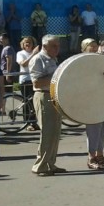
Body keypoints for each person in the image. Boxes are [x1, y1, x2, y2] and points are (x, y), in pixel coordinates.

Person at [29, 35, 65, 176]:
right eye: (54, 46)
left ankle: (50, 163)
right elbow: (37, 82)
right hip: (43, 95)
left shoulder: (52, 59)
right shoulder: (38, 59)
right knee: (47, 132)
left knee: (55, 132)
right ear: (45, 46)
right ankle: (40, 165)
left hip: (54, 96)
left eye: (58, 46)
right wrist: (57, 76)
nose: (57, 49)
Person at [81, 38, 104, 170]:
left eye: (96, 46)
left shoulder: (101, 58)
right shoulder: (81, 61)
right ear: (84, 48)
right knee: (93, 129)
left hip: (103, 98)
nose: (95, 48)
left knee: (103, 127)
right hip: (91, 99)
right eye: (91, 46)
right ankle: (91, 157)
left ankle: (100, 155)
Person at [16, 37, 39, 130]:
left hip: (35, 79)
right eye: (26, 43)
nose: (27, 44)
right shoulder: (20, 53)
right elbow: (23, 64)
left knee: (34, 102)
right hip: (25, 79)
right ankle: (27, 122)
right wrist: (33, 54)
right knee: (27, 102)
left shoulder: (37, 54)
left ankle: (34, 122)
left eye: (29, 42)